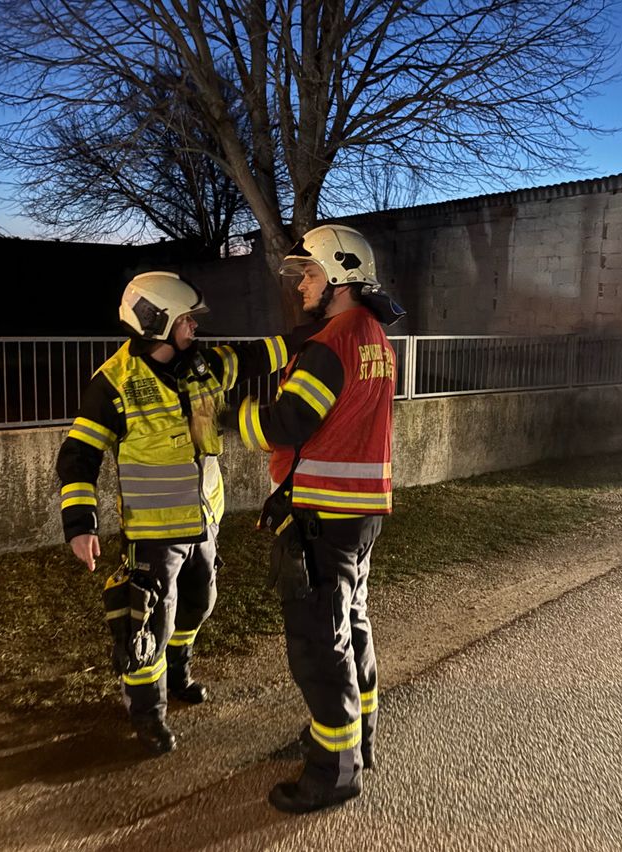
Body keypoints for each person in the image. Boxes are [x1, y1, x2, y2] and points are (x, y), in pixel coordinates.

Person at [56, 270, 316, 756]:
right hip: (153, 533)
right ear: (156, 322)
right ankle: (147, 712)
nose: (195, 327)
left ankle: (178, 672)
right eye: (186, 320)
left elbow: (257, 356)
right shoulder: (113, 384)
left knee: (200, 602)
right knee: (149, 621)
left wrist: (315, 333)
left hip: (205, 523)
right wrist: (80, 525)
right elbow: (78, 455)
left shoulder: (203, 366)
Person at [222, 225, 406, 813]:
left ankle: (334, 771)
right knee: (350, 626)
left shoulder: (332, 342)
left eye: (309, 273)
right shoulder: (373, 334)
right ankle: (358, 738)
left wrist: (224, 416)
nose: (301, 284)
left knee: (318, 646)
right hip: (360, 512)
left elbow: (287, 423)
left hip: (323, 514)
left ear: (339, 277)